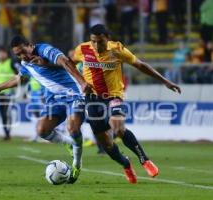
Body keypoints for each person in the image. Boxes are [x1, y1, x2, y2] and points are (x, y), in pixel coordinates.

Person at [73, 24, 181, 184]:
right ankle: (126, 163)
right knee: (106, 145)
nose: (96, 45)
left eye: (100, 42)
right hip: (92, 100)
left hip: (113, 96)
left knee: (117, 126)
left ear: (107, 39)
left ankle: (144, 159)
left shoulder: (117, 49)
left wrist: (165, 81)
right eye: (93, 41)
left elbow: (141, 65)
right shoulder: (82, 49)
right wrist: (80, 81)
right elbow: (69, 64)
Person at [0, 35, 93, 184]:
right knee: (41, 130)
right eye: (18, 54)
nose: (22, 56)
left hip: (74, 94)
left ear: (30, 45)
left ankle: (76, 163)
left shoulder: (45, 50)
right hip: (54, 100)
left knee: (73, 127)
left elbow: (65, 62)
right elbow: (19, 79)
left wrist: (82, 82)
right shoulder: (26, 64)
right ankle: (68, 143)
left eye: (23, 51)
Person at [0, 47, 17, 141]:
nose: (1, 55)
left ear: (6, 54)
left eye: (3, 53)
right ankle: (6, 132)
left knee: (7, 112)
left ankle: (8, 132)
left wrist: (15, 85)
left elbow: (18, 74)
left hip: (9, 92)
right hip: (0, 93)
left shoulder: (11, 63)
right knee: (2, 113)